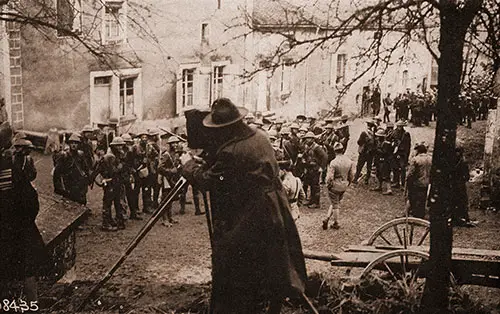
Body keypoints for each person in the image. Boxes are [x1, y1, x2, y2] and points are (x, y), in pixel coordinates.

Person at [183, 98, 306, 313]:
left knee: (231, 261)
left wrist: (189, 165)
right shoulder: (260, 136)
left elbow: (208, 182)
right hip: (275, 206)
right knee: (273, 263)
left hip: (254, 213)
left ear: (226, 129)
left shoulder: (230, 152)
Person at [1, 123, 48, 302]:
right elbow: (29, 200)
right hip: (18, 226)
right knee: (29, 265)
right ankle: (30, 304)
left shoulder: (16, 162)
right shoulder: (10, 166)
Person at [93, 136, 128, 231]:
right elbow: (113, 171)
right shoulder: (110, 156)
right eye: (118, 146)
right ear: (113, 146)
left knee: (117, 202)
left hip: (116, 182)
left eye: (121, 146)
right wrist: (121, 166)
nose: (120, 148)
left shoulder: (117, 155)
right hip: (110, 182)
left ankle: (114, 220)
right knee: (108, 203)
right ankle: (106, 223)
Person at [322, 142, 354, 230]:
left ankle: (336, 222)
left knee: (335, 205)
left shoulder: (334, 162)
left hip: (335, 186)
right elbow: (351, 175)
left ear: (335, 151)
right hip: (343, 185)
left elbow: (330, 177)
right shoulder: (349, 161)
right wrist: (348, 183)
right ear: (343, 150)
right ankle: (327, 218)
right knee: (335, 202)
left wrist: (328, 185)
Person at [53, 133, 90, 205]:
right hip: (68, 184)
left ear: (79, 145)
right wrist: (59, 188)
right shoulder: (64, 155)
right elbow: (57, 173)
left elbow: (85, 169)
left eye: (76, 143)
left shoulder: (81, 154)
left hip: (79, 184)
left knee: (81, 205)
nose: (73, 145)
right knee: (69, 206)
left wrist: (85, 182)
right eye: (72, 143)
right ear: (69, 144)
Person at [451, 142, 476, 227]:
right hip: (460, 185)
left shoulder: (450, 162)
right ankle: (463, 218)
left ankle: (455, 218)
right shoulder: (463, 162)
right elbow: (467, 176)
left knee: (454, 201)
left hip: (453, 185)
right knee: (462, 202)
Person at [405, 142, 432, 218]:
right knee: (422, 199)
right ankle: (420, 214)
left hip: (417, 182)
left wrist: (407, 180)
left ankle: (415, 215)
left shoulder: (415, 160)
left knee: (414, 198)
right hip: (426, 182)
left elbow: (411, 173)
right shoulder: (430, 159)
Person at [302, 131, 327, 208]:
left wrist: (321, 167)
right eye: (307, 138)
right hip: (309, 168)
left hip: (315, 169)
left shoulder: (317, 147)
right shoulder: (307, 146)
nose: (308, 140)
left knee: (315, 186)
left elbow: (325, 157)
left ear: (313, 139)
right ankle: (311, 200)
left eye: (309, 138)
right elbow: (305, 155)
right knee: (310, 184)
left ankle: (316, 203)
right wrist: (303, 159)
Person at [353, 120, 376, 185]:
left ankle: (356, 179)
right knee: (368, 167)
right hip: (370, 153)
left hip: (363, 152)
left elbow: (359, 142)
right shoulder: (373, 133)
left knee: (359, 166)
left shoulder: (364, 133)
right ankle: (366, 180)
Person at [372, 129, 393, 195]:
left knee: (386, 175)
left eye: (378, 136)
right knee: (379, 174)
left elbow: (385, 152)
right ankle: (379, 186)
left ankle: (389, 189)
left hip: (385, 161)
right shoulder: (378, 142)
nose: (377, 137)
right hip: (379, 161)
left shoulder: (386, 144)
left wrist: (377, 150)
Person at [391, 120, 411, 188]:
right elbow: (391, 141)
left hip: (402, 154)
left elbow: (408, 146)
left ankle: (402, 184)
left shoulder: (406, 134)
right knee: (395, 167)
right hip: (395, 153)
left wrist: (407, 155)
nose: (399, 127)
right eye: (398, 126)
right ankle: (396, 182)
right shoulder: (394, 132)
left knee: (402, 168)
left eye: (401, 126)